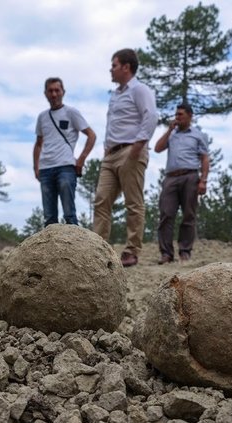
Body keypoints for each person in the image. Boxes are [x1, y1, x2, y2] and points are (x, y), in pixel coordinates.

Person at [93, 48, 159, 267]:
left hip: (131, 150)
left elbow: (151, 117)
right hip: (110, 155)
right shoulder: (115, 95)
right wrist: (105, 150)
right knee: (102, 200)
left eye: (114, 65)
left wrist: (137, 146)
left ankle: (131, 251)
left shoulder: (140, 90)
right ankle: (98, 248)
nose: (110, 70)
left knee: (133, 202)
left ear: (126, 67)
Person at [33, 77, 96, 226]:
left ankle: (76, 248)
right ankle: (50, 249)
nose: (54, 94)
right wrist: (36, 167)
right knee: (49, 217)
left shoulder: (71, 112)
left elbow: (91, 135)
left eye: (57, 90)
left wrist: (81, 159)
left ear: (63, 92)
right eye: (50, 91)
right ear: (45, 93)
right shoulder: (42, 117)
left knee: (69, 214)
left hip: (66, 166)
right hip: (45, 169)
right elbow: (38, 144)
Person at [154, 103, 210, 264]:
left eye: (180, 114)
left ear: (190, 116)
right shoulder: (171, 134)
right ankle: (166, 253)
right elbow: (158, 148)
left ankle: (185, 251)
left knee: (188, 215)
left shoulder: (199, 135)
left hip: (190, 176)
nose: (177, 117)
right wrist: (169, 130)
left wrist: (203, 180)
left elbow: (205, 158)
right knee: (166, 214)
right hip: (171, 177)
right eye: (176, 114)